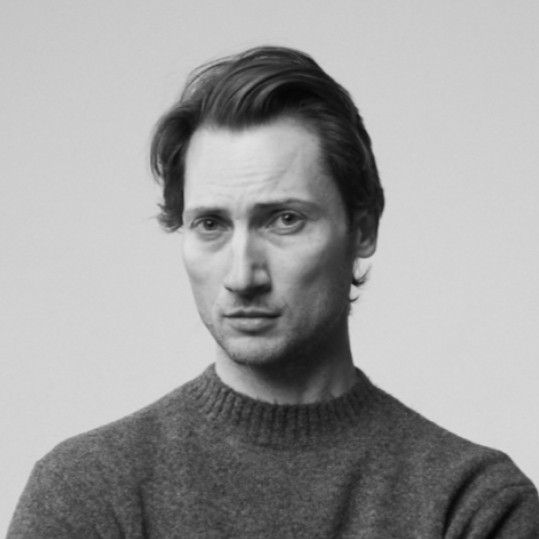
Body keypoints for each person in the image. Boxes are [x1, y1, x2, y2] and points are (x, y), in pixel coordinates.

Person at [8, 46, 539, 538]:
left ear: (362, 229)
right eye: (211, 224)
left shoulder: (472, 503)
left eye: (284, 220)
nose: (243, 276)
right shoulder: (87, 492)